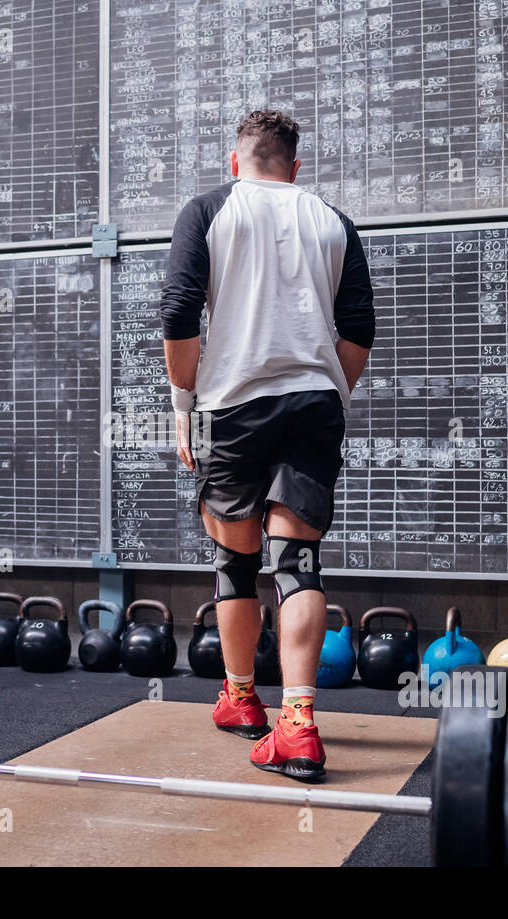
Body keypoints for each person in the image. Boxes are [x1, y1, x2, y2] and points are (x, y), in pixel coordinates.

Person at [160, 109, 375, 782]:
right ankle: (300, 726)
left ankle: (242, 698)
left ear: (236, 162)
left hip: (231, 404)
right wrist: (327, 390)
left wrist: (184, 409)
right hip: (314, 402)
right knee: (297, 560)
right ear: (295, 167)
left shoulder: (208, 210)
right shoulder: (333, 220)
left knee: (234, 558)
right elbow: (360, 327)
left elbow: (176, 311)